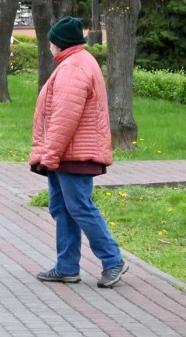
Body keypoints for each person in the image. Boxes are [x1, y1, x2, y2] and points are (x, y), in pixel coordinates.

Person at [32, 16, 126, 288]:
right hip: (68, 154)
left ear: (59, 43)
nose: (48, 46)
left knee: (79, 208)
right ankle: (67, 267)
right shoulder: (75, 62)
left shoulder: (74, 67)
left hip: (73, 154)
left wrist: (49, 156)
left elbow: (63, 119)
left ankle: (113, 260)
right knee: (62, 208)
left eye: (51, 41)